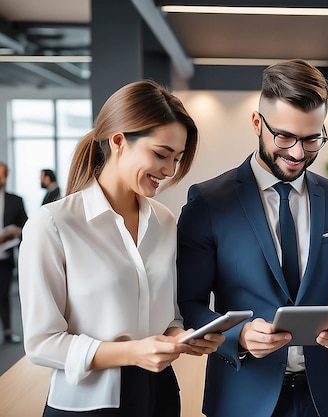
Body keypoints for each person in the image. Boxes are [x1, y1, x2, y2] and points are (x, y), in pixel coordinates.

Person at [177, 59, 328, 417]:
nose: (299, 153)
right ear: (257, 123)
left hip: (323, 398)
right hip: (241, 395)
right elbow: (189, 303)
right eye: (284, 136)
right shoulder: (208, 201)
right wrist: (238, 335)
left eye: (313, 138)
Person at [18, 80, 225, 417]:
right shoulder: (53, 224)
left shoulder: (165, 221)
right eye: (161, 154)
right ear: (118, 141)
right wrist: (133, 353)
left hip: (160, 395)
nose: (170, 171)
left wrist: (182, 336)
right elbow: (41, 343)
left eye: (177, 158)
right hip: (88, 405)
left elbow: (167, 314)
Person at [0, 162, 28, 344]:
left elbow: (26, 226)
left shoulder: (15, 200)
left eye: (3, 175)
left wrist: (17, 231)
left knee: (3, 295)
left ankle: (8, 331)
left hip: (5, 258)